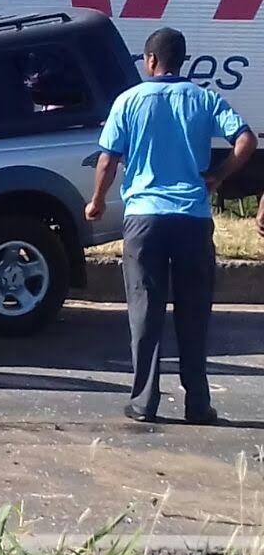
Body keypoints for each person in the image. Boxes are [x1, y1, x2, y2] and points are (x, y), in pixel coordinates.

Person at [86, 27, 257, 424]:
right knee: (194, 313)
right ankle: (198, 403)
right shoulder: (204, 99)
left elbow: (108, 160)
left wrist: (96, 201)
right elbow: (245, 140)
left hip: (145, 219)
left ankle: (145, 401)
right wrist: (218, 175)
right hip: (192, 220)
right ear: (181, 61)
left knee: (146, 308)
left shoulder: (128, 100)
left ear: (149, 60)